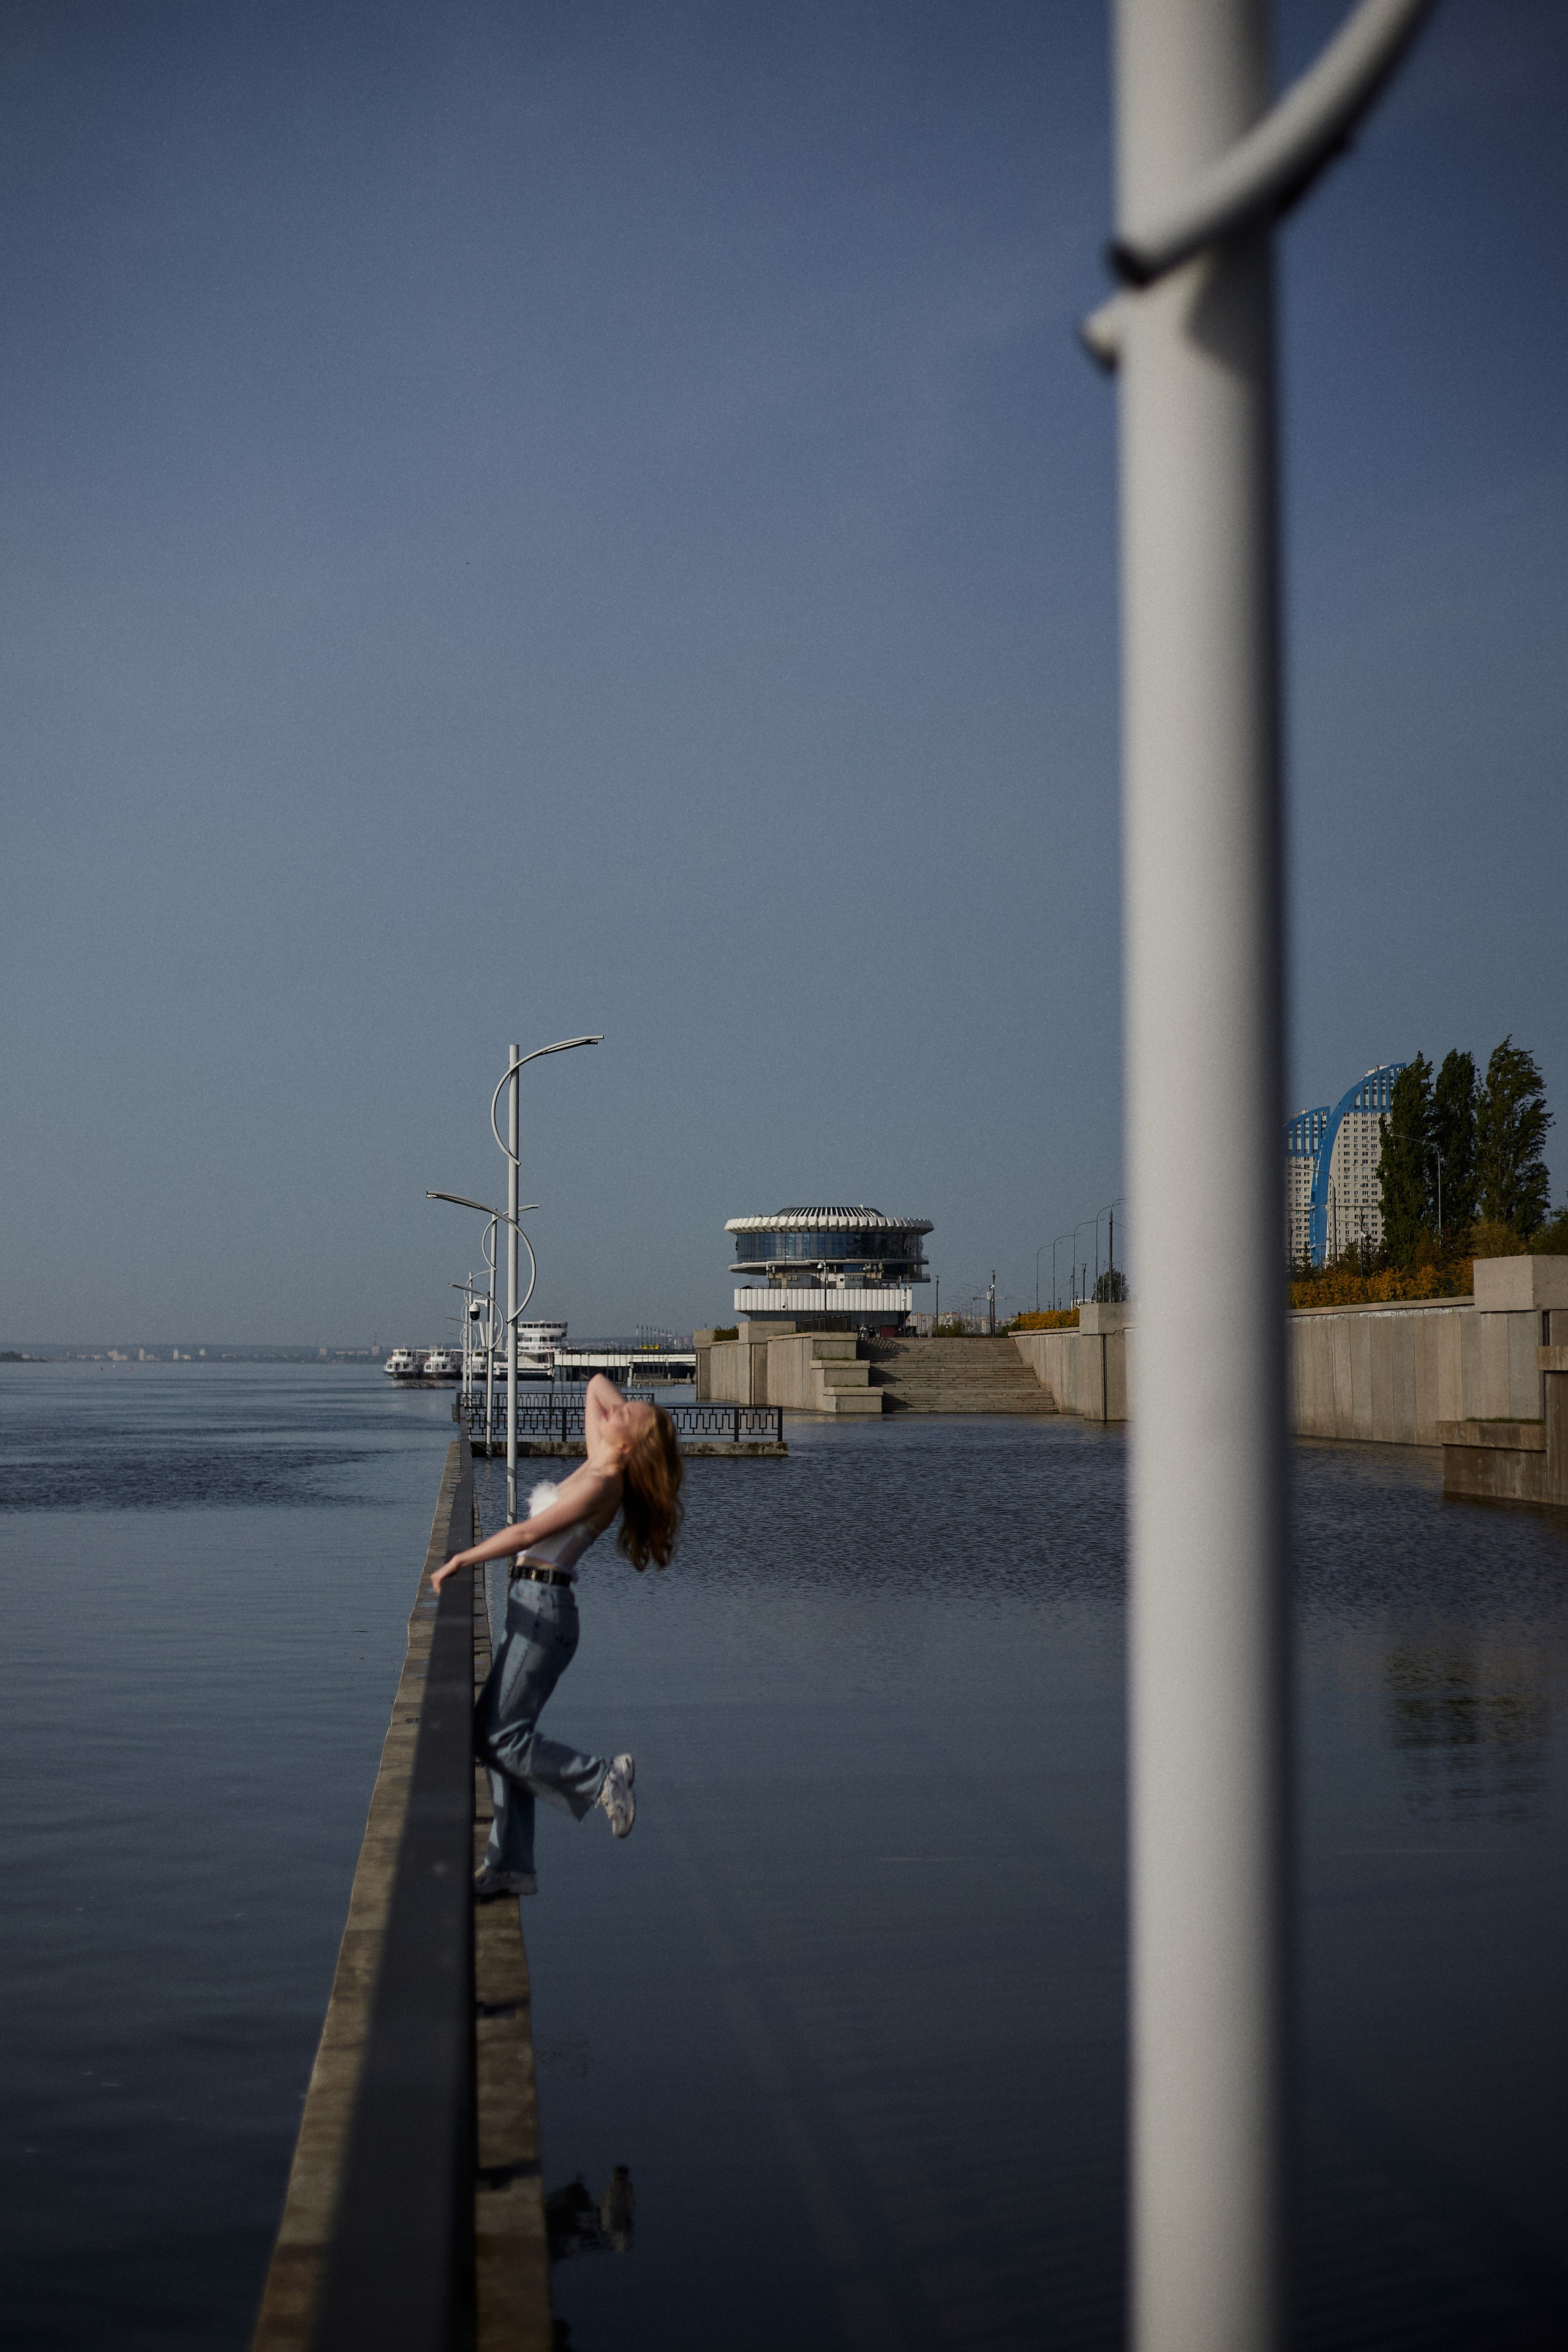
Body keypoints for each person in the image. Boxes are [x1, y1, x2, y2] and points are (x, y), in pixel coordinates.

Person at [432, 1373, 684, 1898]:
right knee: (502, 1735)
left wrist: (461, 1559)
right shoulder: (600, 1458)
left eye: (626, 1414)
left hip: (543, 1612)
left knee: (496, 1737)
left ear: (630, 1446)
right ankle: (511, 1866)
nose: (617, 1409)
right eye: (625, 1405)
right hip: (533, 1606)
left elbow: (527, 1534)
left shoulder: (603, 1483)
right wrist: (639, 1419)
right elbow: (595, 1385)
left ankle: (601, 1779)